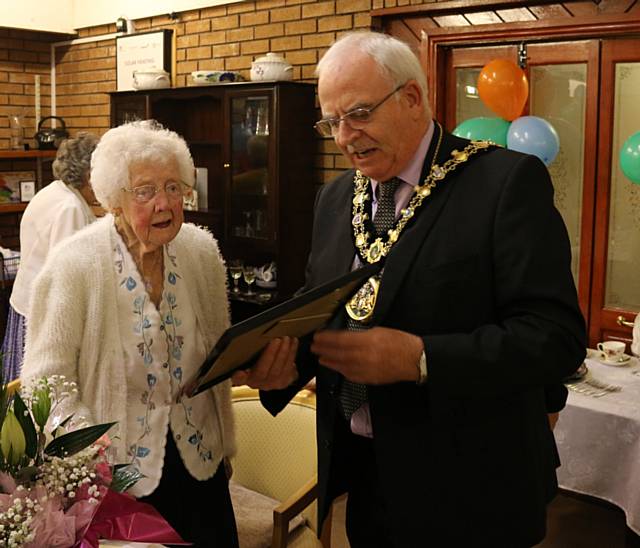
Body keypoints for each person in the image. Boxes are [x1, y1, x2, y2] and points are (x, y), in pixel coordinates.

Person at [234, 31, 586, 547]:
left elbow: (554, 339)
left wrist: (422, 359)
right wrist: (283, 362)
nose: (345, 137)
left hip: (473, 486)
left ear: (413, 98)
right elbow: (325, 311)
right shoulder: (335, 198)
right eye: (332, 122)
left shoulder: (503, 183)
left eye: (358, 114)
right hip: (367, 478)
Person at [21, 120, 238, 547]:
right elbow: (45, 383)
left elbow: (217, 352)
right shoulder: (74, 266)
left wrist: (223, 442)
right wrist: (92, 457)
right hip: (119, 476)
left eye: (174, 187)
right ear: (112, 200)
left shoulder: (200, 251)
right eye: (145, 191)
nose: (164, 203)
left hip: (197, 459)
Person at [1, 132, 99, 381]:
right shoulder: (70, 207)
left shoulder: (53, 192)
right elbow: (67, 275)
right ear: (89, 175)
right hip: (41, 313)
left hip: (25, 302)